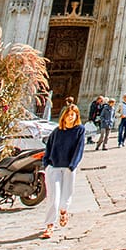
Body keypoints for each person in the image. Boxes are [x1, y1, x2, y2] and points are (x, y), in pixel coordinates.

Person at [41, 100, 85, 238]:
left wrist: (73, 165)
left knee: (66, 195)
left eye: (73, 114)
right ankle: (49, 226)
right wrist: (46, 164)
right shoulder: (56, 132)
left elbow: (79, 149)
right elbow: (48, 148)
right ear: (64, 116)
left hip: (68, 168)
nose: (71, 116)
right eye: (69, 114)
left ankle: (64, 212)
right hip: (54, 167)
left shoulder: (79, 130)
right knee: (53, 197)